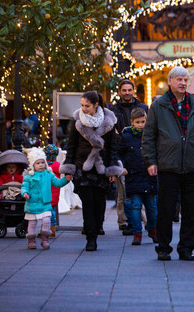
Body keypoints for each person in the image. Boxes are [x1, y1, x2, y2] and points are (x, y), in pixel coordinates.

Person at [143, 67, 194, 261]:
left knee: (192, 210)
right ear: (170, 82)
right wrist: (151, 160)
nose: (182, 83)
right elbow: (149, 135)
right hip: (168, 166)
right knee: (166, 210)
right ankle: (164, 247)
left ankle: (186, 248)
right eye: (178, 79)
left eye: (185, 79)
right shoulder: (159, 106)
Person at [61, 91, 122, 252]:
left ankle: (97, 226)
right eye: (82, 105)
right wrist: (69, 167)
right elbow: (71, 146)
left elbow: (112, 148)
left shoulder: (108, 122)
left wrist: (112, 169)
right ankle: (91, 237)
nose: (84, 108)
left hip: (101, 169)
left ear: (96, 105)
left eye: (87, 105)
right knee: (87, 203)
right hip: (84, 167)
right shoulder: (78, 122)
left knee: (99, 202)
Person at [110, 79, 148, 234]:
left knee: (142, 189)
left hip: (139, 151)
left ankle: (142, 220)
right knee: (122, 191)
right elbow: (111, 130)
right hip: (122, 151)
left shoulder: (143, 107)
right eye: (124, 90)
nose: (127, 93)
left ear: (133, 91)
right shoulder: (113, 110)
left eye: (129, 90)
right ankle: (123, 221)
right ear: (120, 91)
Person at [120, 107, 157, 246]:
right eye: (138, 122)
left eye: (143, 122)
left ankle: (153, 229)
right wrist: (122, 165)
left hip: (149, 175)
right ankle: (137, 232)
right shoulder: (126, 137)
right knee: (135, 206)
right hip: (133, 175)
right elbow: (120, 153)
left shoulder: (151, 135)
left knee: (151, 207)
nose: (141, 125)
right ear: (132, 122)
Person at [22, 148, 72, 250]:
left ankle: (45, 239)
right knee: (32, 224)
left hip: (45, 203)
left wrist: (65, 180)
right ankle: (31, 240)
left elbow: (57, 183)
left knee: (46, 220)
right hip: (32, 203)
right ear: (33, 165)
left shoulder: (49, 174)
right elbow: (24, 187)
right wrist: (25, 193)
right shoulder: (28, 176)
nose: (41, 165)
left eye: (42, 163)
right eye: (38, 163)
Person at [43, 144, 61, 238]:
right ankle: (51, 229)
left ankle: (47, 230)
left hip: (45, 193)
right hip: (54, 193)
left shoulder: (44, 166)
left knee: (44, 213)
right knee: (52, 211)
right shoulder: (57, 165)